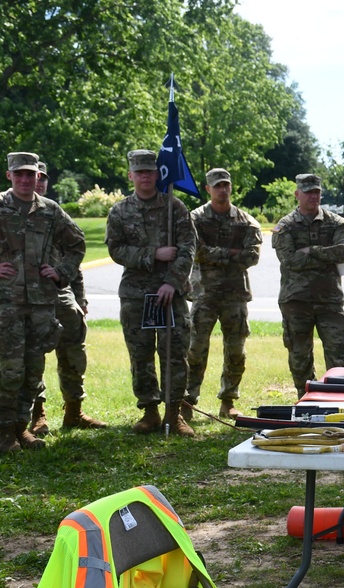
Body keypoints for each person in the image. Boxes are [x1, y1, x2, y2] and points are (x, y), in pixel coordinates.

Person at [105, 149, 197, 436]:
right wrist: (153, 253)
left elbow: (188, 247)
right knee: (141, 354)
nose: (145, 176)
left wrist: (172, 281)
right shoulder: (120, 211)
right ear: (131, 175)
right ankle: (150, 411)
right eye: (139, 172)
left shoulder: (175, 208)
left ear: (158, 174)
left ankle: (174, 413)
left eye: (150, 171)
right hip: (136, 294)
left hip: (172, 293)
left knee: (174, 353)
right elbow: (116, 249)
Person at [0, 152, 86, 454]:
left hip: (41, 305)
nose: (25, 180)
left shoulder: (50, 210)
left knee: (33, 371)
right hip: (6, 304)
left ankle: (21, 429)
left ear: (39, 177)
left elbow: (77, 243)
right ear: (9, 175)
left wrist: (61, 272)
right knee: (9, 372)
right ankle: (3, 435)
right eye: (19, 174)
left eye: (31, 174)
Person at [27, 161, 107, 434]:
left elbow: (75, 259)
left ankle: (74, 411)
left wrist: (80, 298)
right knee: (32, 355)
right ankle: (37, 414)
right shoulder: (10, 209)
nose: (37, 182)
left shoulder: (53, 212)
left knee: (73, 351)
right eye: (29, 176)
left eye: (41, 178)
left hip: (58, 293)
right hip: (21, 296)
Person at [183, 168, 262, 420]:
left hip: (235, 296)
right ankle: (189, 400)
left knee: (236, 350)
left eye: (226, 185)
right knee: (195, 349)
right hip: (203, 293)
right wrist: (231, 253)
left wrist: (214, 254)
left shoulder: (245, 221)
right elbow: (195, 251)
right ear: (208, 189)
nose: (222, 189)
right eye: (217, 186)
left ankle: (228, 399)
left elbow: (252, 256)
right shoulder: (194, 219)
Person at [272, 173, 344, 398]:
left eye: (316, 191)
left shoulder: (337, 223)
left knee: (339, 353)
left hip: (330, 301)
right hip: (296, 301)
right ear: (297, 194)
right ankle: (305, 397)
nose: (313, 196)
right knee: (300, 355)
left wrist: (311, 250)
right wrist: (326, 255)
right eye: (308, 192)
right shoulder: (285, 226)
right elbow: (289, 260)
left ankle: (342, 398)